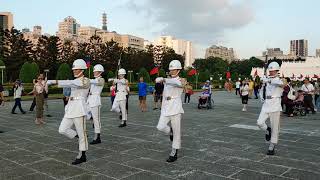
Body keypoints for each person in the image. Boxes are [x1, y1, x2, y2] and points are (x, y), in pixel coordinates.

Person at [47, 59, 90, 165]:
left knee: (82, 133)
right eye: (74, 69)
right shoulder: (74, 81)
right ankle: (78, 135)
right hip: (71, 108)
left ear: (82, 69)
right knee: (62, 129)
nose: (74, 71)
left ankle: (82, 155)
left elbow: (72, 83)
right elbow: (71, 85)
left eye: (76, 69)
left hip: (80, 109)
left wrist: (54, 81)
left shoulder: (85, 80)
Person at [157, 60, 185, 163]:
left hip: (176, 108)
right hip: (166, 108)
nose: (171, 71)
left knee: (177, 132)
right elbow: (164, 94)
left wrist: (164, 79)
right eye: (170, 70)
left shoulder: (182, 80)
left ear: (178, 70)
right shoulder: (167, 81)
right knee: (160, 126)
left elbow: (178, 84)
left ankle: (174, 152)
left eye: (173, 70)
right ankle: (170, 131)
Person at [257, 62, 284, 155]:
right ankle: (267, 129)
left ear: (277, 70)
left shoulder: (279, 79)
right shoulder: (267, 79)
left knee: (275, 127)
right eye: (270, 70)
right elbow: (262, 90)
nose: (271, 72)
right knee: (259, 122)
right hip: (266, 104)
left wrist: (268, 81)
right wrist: (261, 97)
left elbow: (282, 84)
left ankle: (271, 146)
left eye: (273, 71)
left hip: (275, 105)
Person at [87, 64, 105, 145]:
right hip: (89, 101)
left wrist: (87, 80)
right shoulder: (93, 80)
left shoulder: (101, 80)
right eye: (94, 71)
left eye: (95, 71)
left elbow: (96, 82)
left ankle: (97, 137)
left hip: (95, 101)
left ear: (100, 72)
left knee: (96, 119)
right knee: (83, 116)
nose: (94, 72)